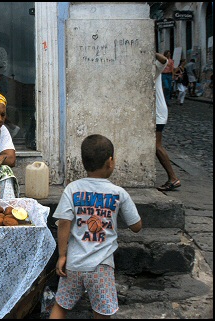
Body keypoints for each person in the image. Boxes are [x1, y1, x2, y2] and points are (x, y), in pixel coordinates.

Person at [49, 134, 142, 319]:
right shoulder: (118, 193)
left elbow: (64, 223)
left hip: (74, 265)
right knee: (101, 312)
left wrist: (62, 255)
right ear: (110, 161)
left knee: (61, 306)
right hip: (102, 267)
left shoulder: (72, 189)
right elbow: (136, 226)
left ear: (83, 162)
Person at [154, 52, 181, 191]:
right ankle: (172, 177)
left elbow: (164, 59)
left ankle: (173, 178)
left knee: (157, 146)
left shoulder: (155, 68)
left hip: (157, 112)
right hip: (155, 112)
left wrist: (149, 52)